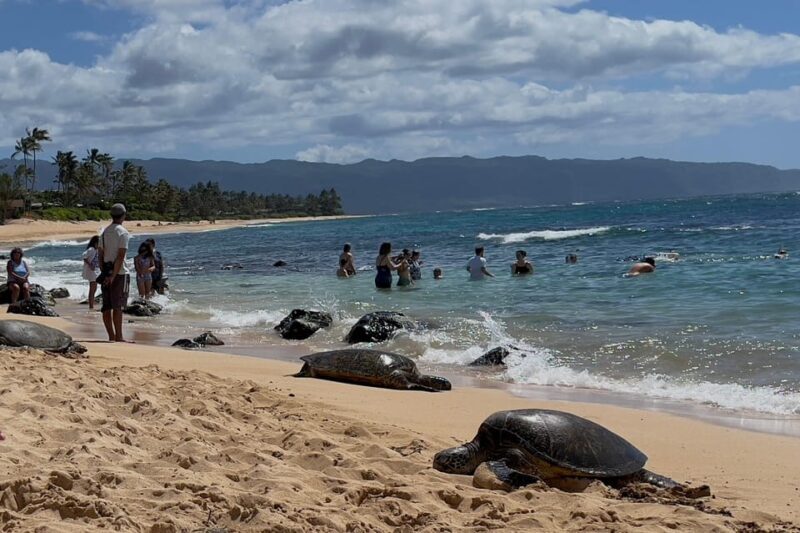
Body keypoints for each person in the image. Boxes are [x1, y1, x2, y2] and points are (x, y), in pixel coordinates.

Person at [98, 203, 131, 342]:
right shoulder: (123, 232)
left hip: (106, 271)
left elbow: (100, 254)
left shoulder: (104, 232)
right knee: (118, 306)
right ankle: (119, 336)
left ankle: (111, 336)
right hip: (120, 273)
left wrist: (105, 273)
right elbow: (121, 256)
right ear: (124, 215)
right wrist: (113, 275)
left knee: (106, 306)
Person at [82, 236, 100, 310]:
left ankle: (91, 305)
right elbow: (84, 256)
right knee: (92, 289)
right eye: (99, 243)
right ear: (95, 243)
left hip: (95, 270)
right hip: (91, 271)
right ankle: (91, 307)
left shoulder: (96, 250)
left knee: (94, 289)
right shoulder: (91, 249)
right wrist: (90, 265)